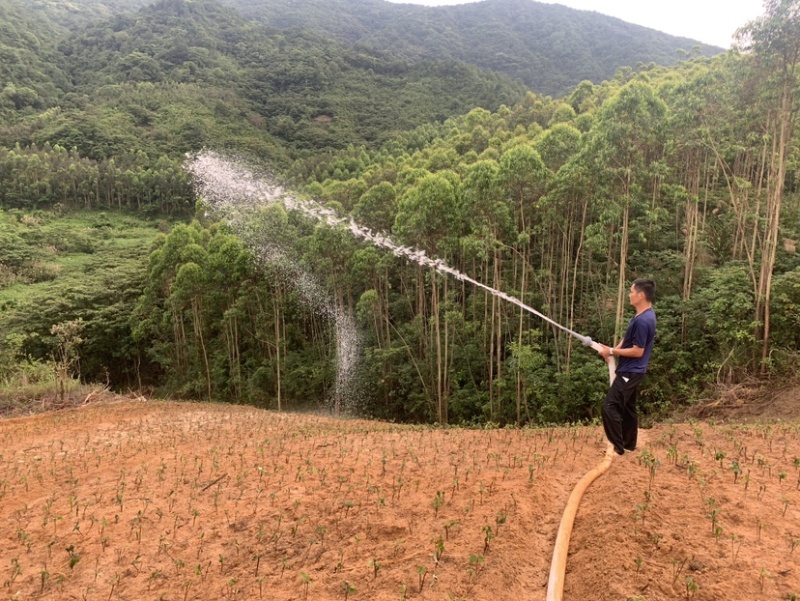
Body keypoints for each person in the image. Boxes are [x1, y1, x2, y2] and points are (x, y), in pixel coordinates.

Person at [597, 278, 656, 456]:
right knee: (628, 407)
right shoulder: (641, 315)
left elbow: (638, 351)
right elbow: (628, 340)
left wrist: (613, 351)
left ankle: (617, 446)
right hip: (631, 370)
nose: (629, 295)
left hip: (631, 371)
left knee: (610, 406)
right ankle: (629, 444)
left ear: (641, 295)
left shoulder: (643, 321)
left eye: (631, 292)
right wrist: (613, 352)